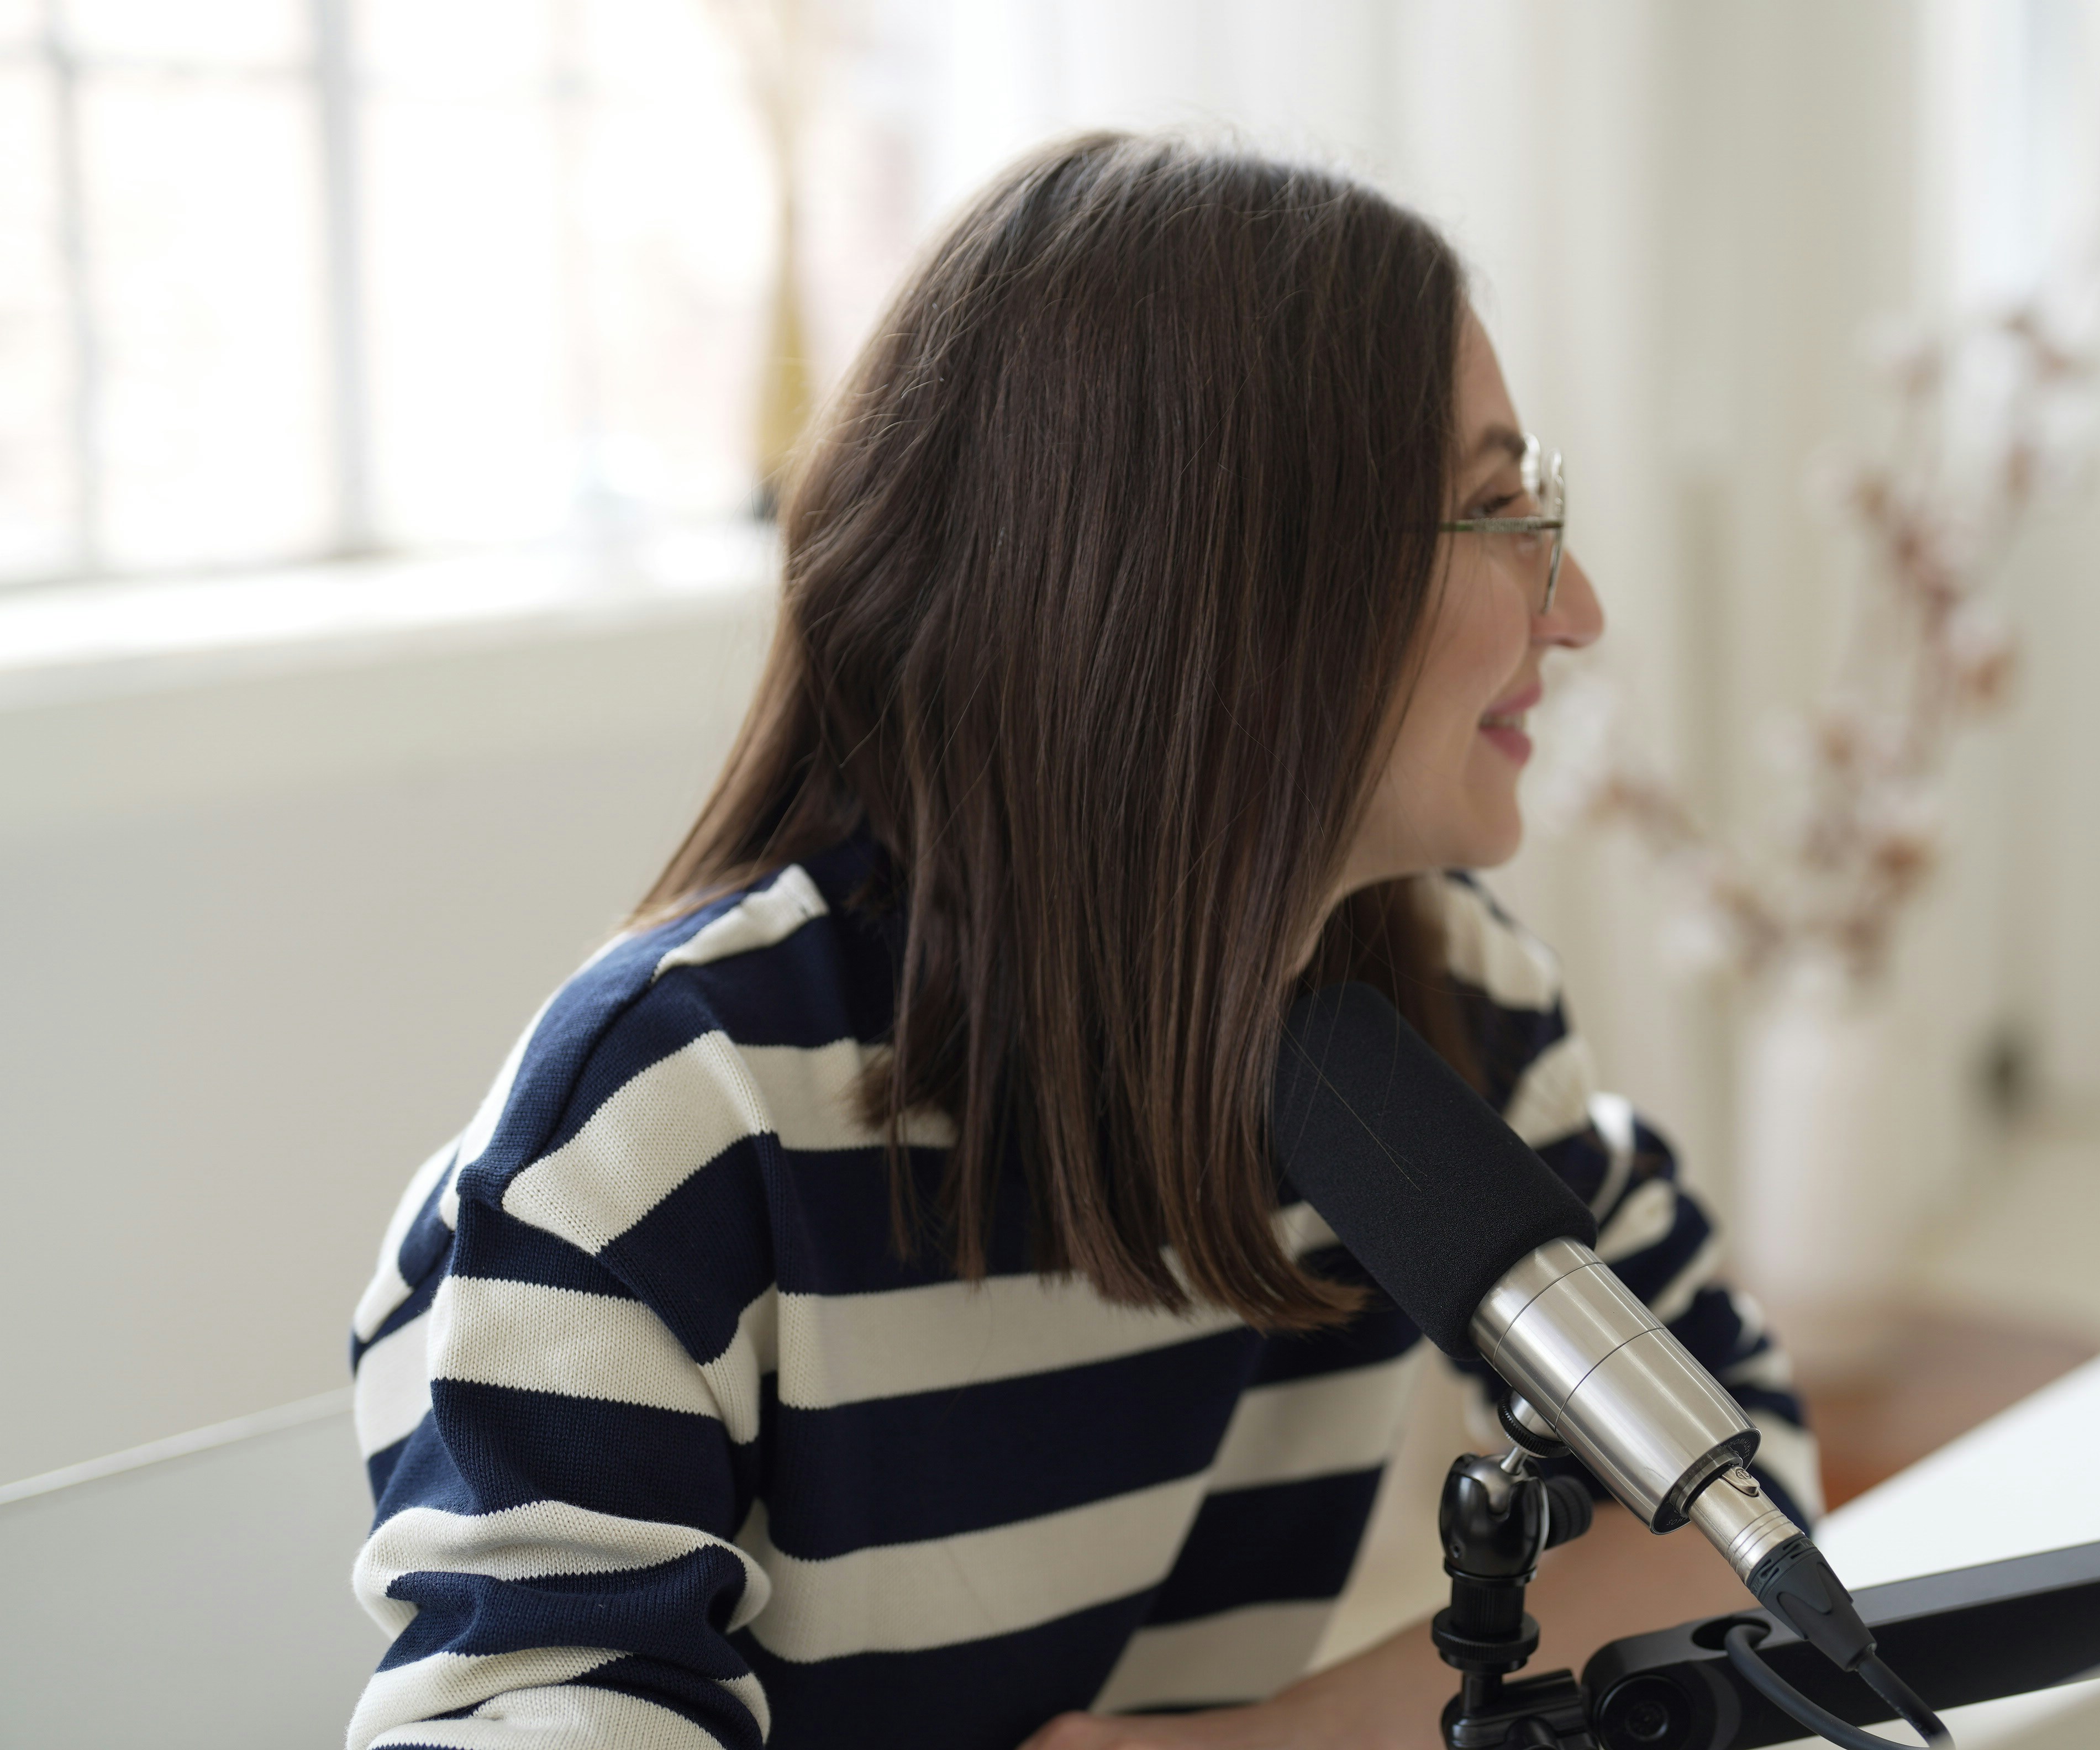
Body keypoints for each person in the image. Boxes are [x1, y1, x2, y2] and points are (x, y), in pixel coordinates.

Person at [344, 132, 1817, 1750]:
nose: (1579, 606)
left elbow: (1751, 1518)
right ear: (1225, 590)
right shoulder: (662, 1135)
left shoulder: (1453, 1015)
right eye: (1492, 510)